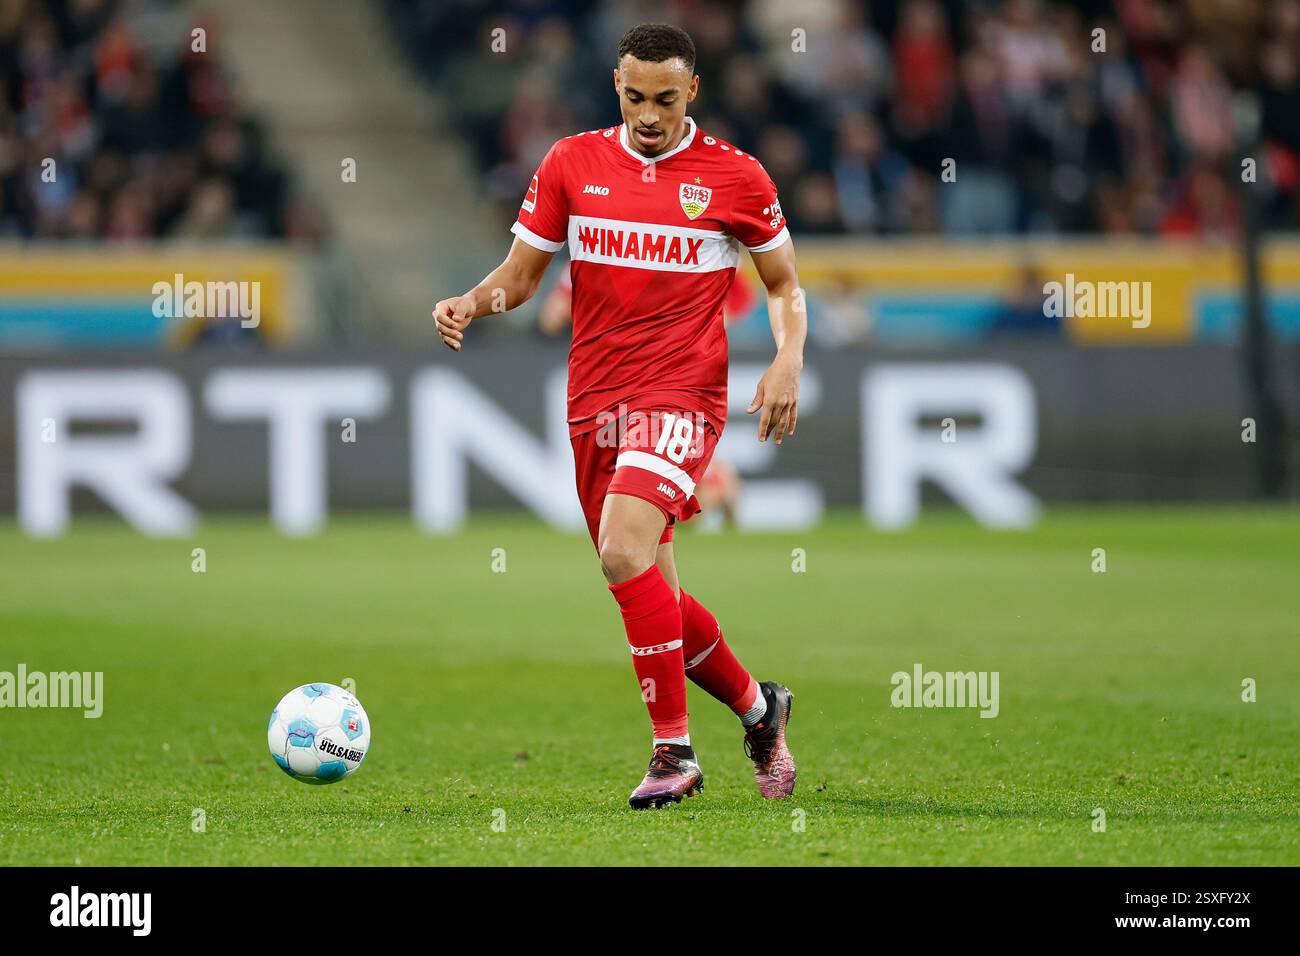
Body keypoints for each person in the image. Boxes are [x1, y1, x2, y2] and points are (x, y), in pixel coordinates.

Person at [433, 23, 805, 809]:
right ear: (616, 86)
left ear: (691, 92)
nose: (648, 113)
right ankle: (758, 708)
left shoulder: (735, 178)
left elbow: (782, 286)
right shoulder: (572, 162)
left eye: (665, 98)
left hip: (682, 394)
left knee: (620, 551)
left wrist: (787, 359)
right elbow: (525, 275)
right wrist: (474, 300)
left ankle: (674, 753)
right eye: (635, 96)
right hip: (593, 402)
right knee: (650, 588)